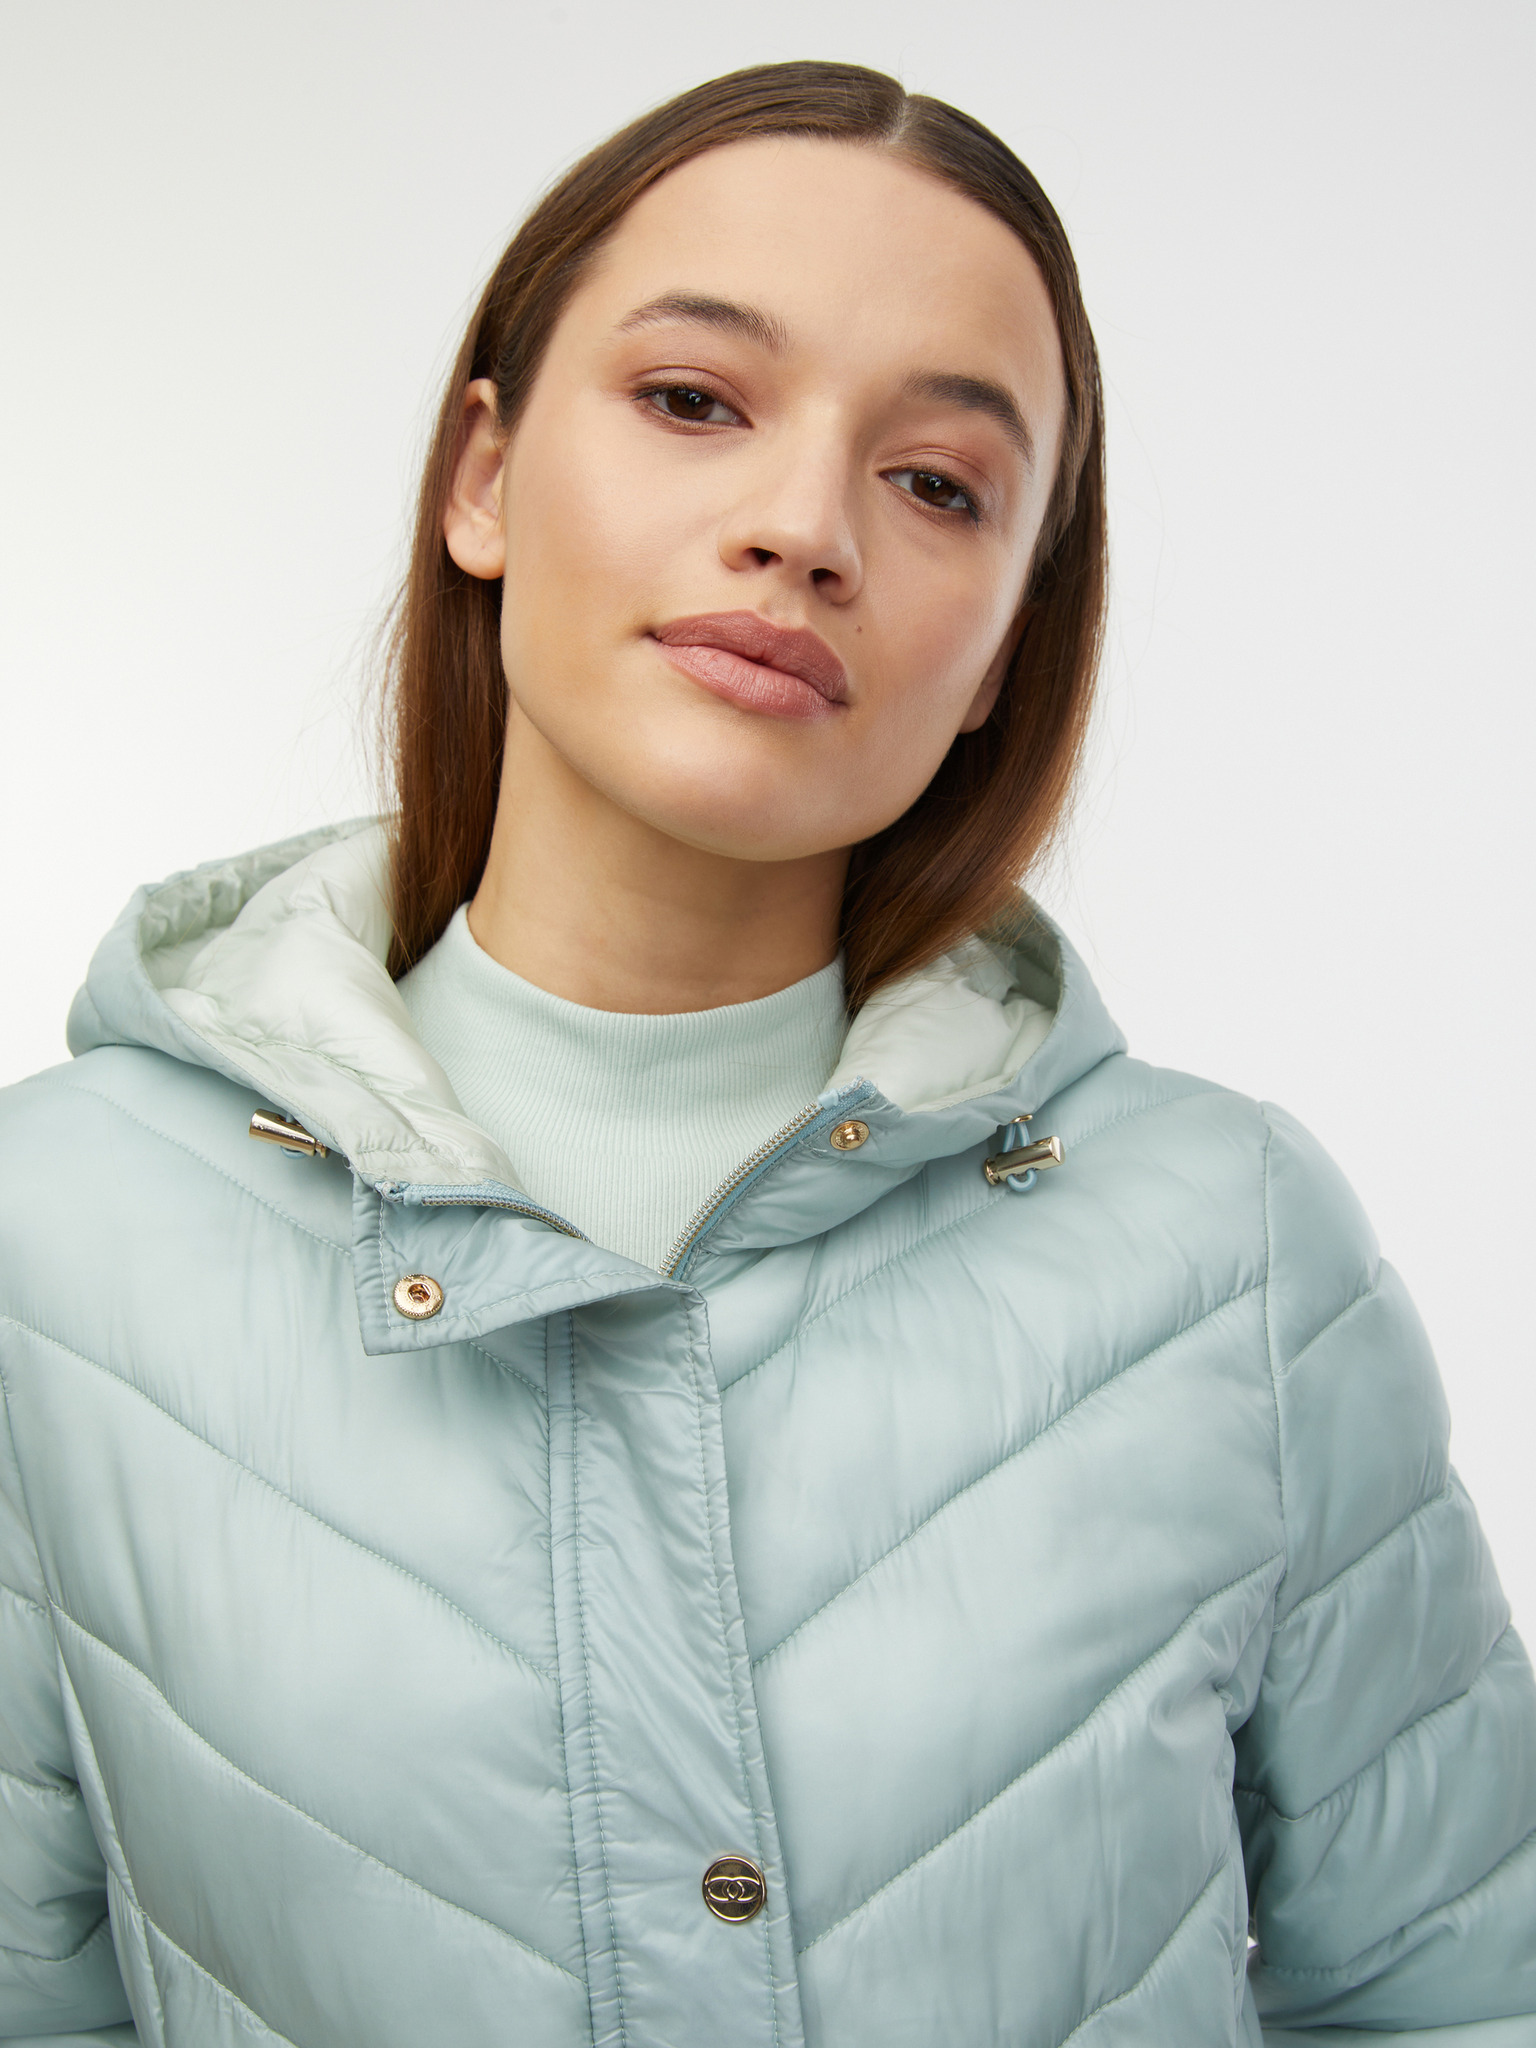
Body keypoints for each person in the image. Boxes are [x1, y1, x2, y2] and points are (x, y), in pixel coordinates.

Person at [0, 58, 1530, 2048]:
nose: (804, 529)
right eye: (694, 400)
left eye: (937, 484)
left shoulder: (1230, 1253)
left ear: (1001, 651)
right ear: (482, 477)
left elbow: (1467, 1993)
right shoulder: (56, 1241)